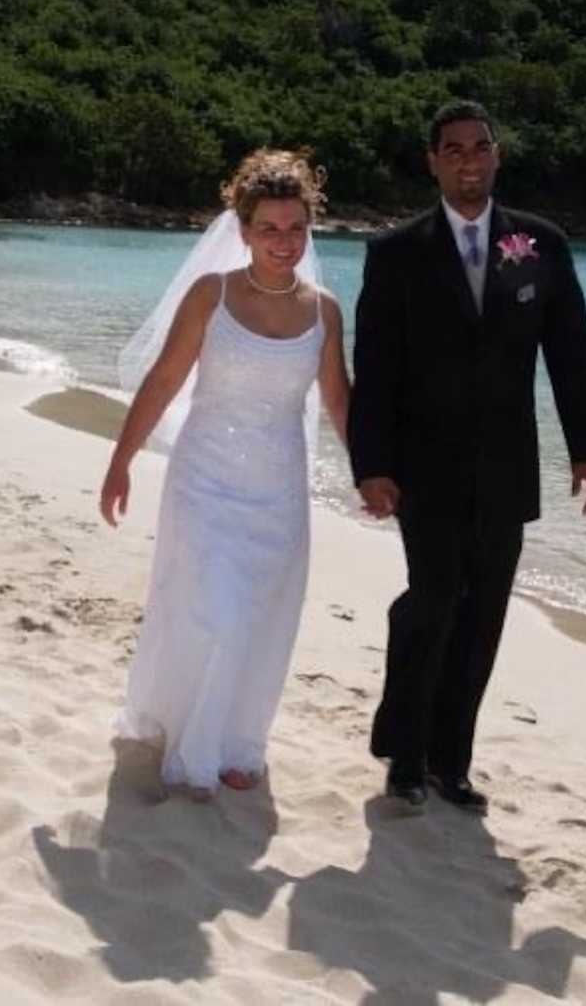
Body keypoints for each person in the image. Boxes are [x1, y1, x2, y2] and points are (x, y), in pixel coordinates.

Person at [347, 101, 586, 814]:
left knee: (483, 614)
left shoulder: (542, 245)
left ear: (497, 155)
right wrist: (369, 463)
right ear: (432, 161)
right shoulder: (394, 254)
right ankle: (403, 751)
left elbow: (571, 354)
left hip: (505, 469)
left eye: (480, 146)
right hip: (421, 469)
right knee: (431, 601)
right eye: (453, 149)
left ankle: (448, 762)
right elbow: (374, 369)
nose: (469, 160)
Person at [100, 149, 350, 802]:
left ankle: (238, 744)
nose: (284, 242)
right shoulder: (211, 295)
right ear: (242, 230)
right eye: (269, 228)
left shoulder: (325, 311)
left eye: (296, 228)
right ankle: (193, 752)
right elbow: (164, 380)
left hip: (279, 493)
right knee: (214, 611)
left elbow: (338, 402)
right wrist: (120, 460)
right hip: (205, 481)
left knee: (262, 621)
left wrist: (373, 476)